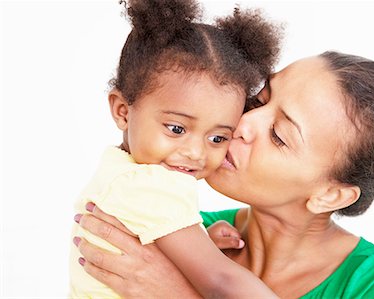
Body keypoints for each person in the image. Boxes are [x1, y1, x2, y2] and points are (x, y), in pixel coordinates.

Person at [73, 50, 374, 298]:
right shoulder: (178, 231)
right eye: (262, 99)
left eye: (279, 136)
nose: (244, 123)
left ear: (330, 195)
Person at [69, 0, 283, 298]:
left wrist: (201, 242)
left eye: (218, 138)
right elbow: (222, 280)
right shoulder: (150, 185)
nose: (195, 152)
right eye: (177, 129)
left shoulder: (121, 171)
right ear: (122, 111)